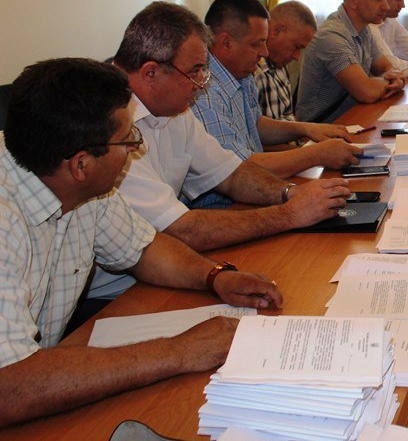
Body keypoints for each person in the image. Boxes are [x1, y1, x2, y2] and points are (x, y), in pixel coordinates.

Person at [0, 58, 282, 426]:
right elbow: (10, 387)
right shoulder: (6, 219)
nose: (135, 148)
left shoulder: (81, 184)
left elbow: (144, 248)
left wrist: (216, 276)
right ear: (81, 165)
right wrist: (182, 351)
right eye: (127, 140)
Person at [88, 2, 351, 301]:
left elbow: (231, 174)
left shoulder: (174, 108)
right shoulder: (108, 129)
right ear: (150, 73)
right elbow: (181, 229)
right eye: (196, 71)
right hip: (115, 296)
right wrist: (290, 214)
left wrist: (291, 193)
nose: (202, 84)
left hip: (170, 268)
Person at [192, 0, 362, 180]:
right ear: (225, 43)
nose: (264, 52)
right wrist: (317, 154)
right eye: (256, 44)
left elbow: (255, 124)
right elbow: (239, 170)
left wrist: (306, 129)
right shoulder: (205, 93)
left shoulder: (241, 74)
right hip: (240, 190)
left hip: (259, 182)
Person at [295, 0, 406, 123]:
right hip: (321, 128)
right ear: (353, 0)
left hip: (352, 118)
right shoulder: (331, 36)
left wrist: (394, 78)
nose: (386, 6)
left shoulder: (364, 30)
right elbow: (366, 92)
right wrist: (392, 81)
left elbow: (387, 68)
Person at [254, 0, 317, 122]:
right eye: (297, 47)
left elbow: (288, 116)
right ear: (277, 30)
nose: (297, 57)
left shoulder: (279, 63)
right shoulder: (251, 72)